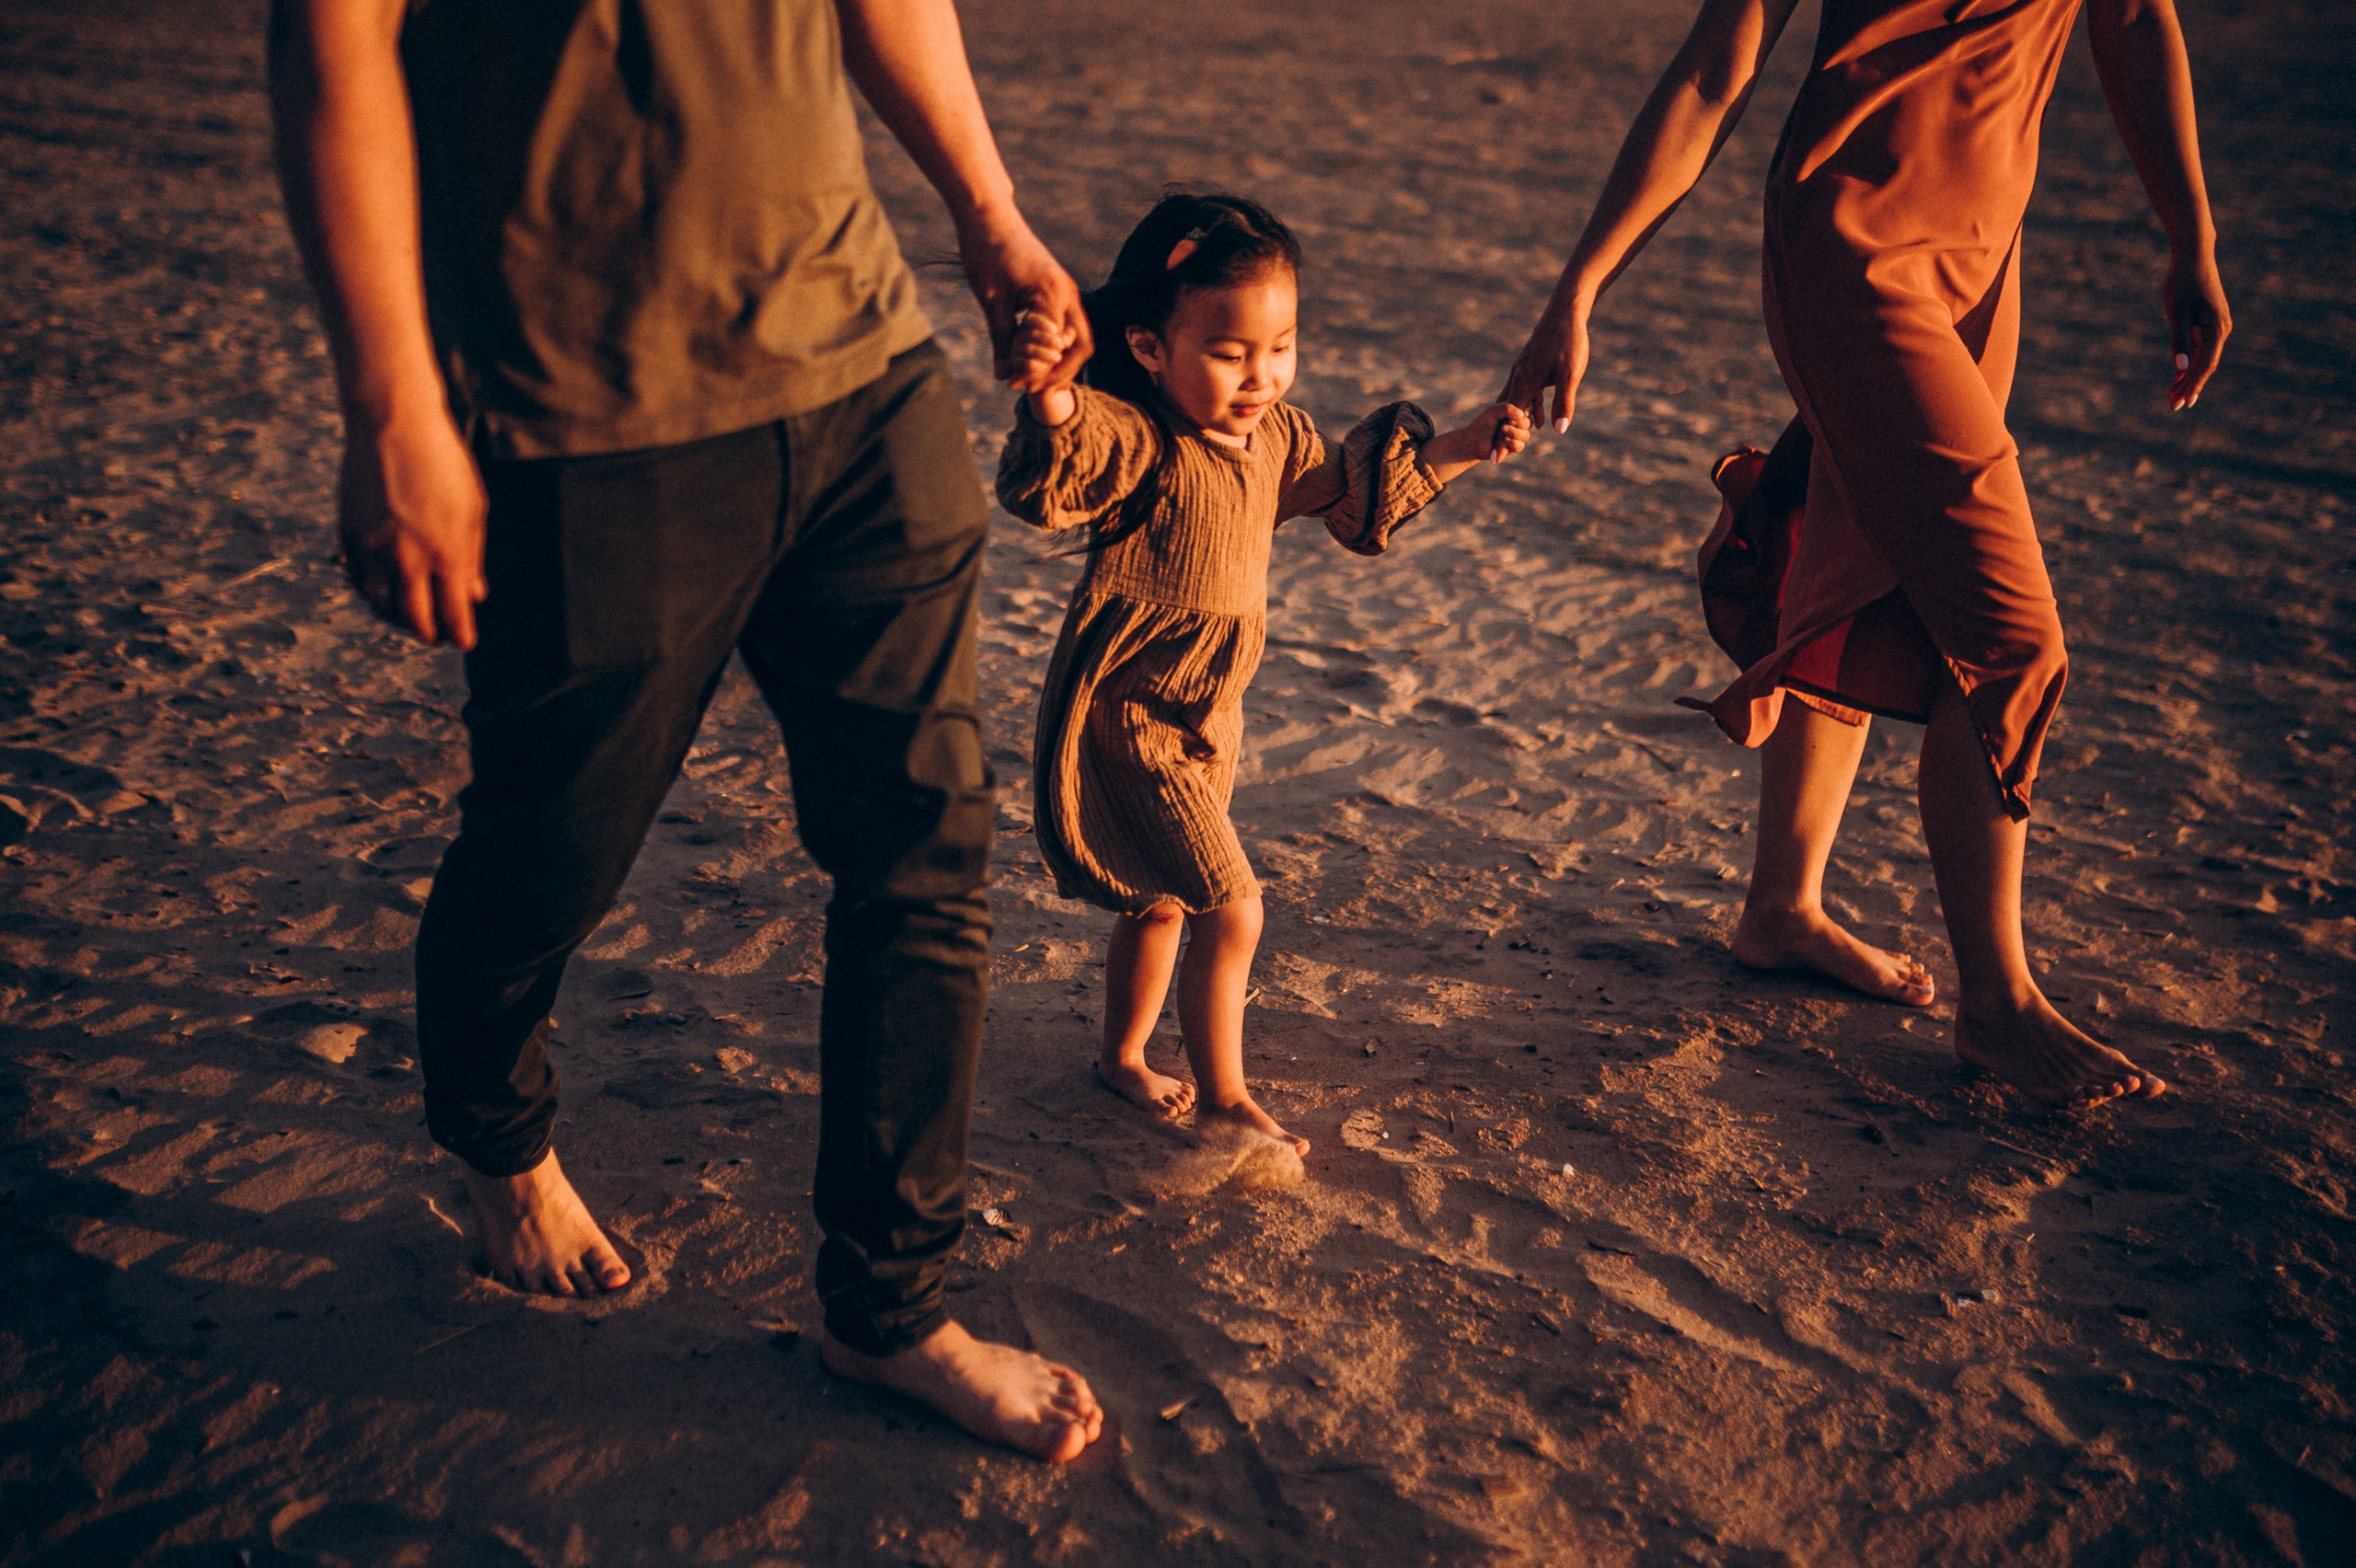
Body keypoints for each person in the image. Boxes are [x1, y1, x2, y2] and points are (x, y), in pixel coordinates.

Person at [267, 0, 1104, 1461]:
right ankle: (498, 1139)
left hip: (864, 370)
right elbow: (332, 42)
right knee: (551, 851)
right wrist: (391, 404)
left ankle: (888, 1308)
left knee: (926, 849)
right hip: (585, 417)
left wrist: (990, 208)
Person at [1499, 0, 2227, 1108]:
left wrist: (2191, 235)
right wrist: (1579, 286)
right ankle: (1998, 1005)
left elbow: (2129, 18)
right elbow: (1714, 68)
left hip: (1982, 266)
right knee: (2009, 640)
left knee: (1864, 554)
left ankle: (1780, 907)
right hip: (1850, 251)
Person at [996, 193, 1531, 1155]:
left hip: (1211, 713)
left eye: (1278, 346)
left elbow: (1356, 498)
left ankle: (1121, 1059)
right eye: (1228, 352)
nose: (1259, 375)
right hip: (1130, 710)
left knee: (1157, 898)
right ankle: (1224, 1097)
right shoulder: (1143, 441)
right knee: (1229, 906)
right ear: (1152, 349)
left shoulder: (1278, 437)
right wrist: (1050, 391)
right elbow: (1074, 444)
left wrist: (1457, 447)